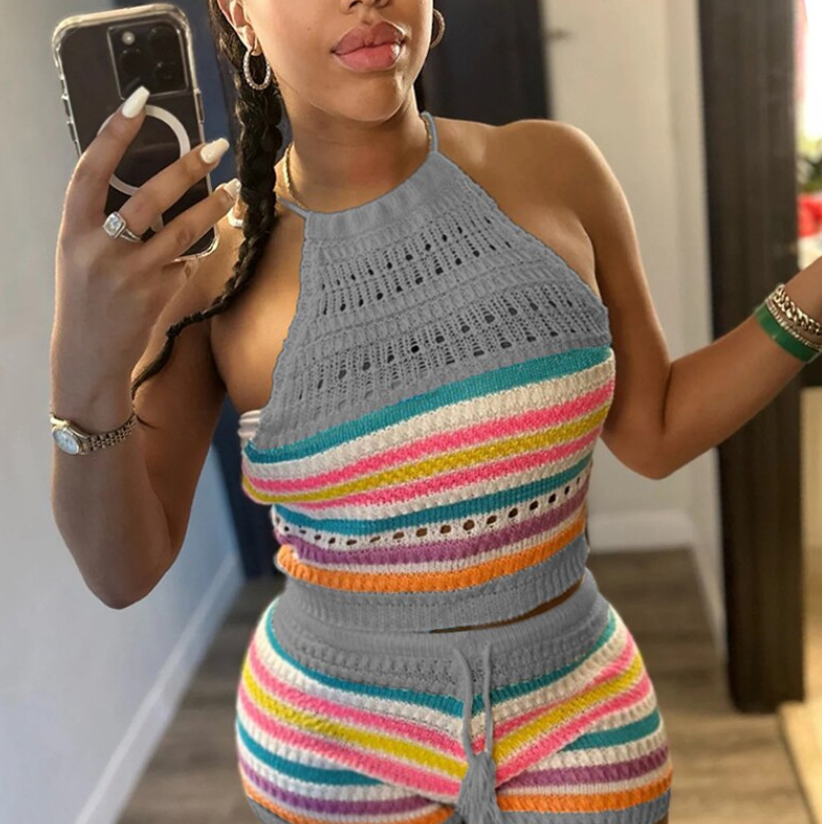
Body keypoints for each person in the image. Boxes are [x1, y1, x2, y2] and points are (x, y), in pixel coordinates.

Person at [49, 1, 822, 822]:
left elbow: (655, 429)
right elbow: (122, 573)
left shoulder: (554, 167)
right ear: (239, 11)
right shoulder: (207, 263)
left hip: (575, 694)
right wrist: (83, 365)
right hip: (329, 737)